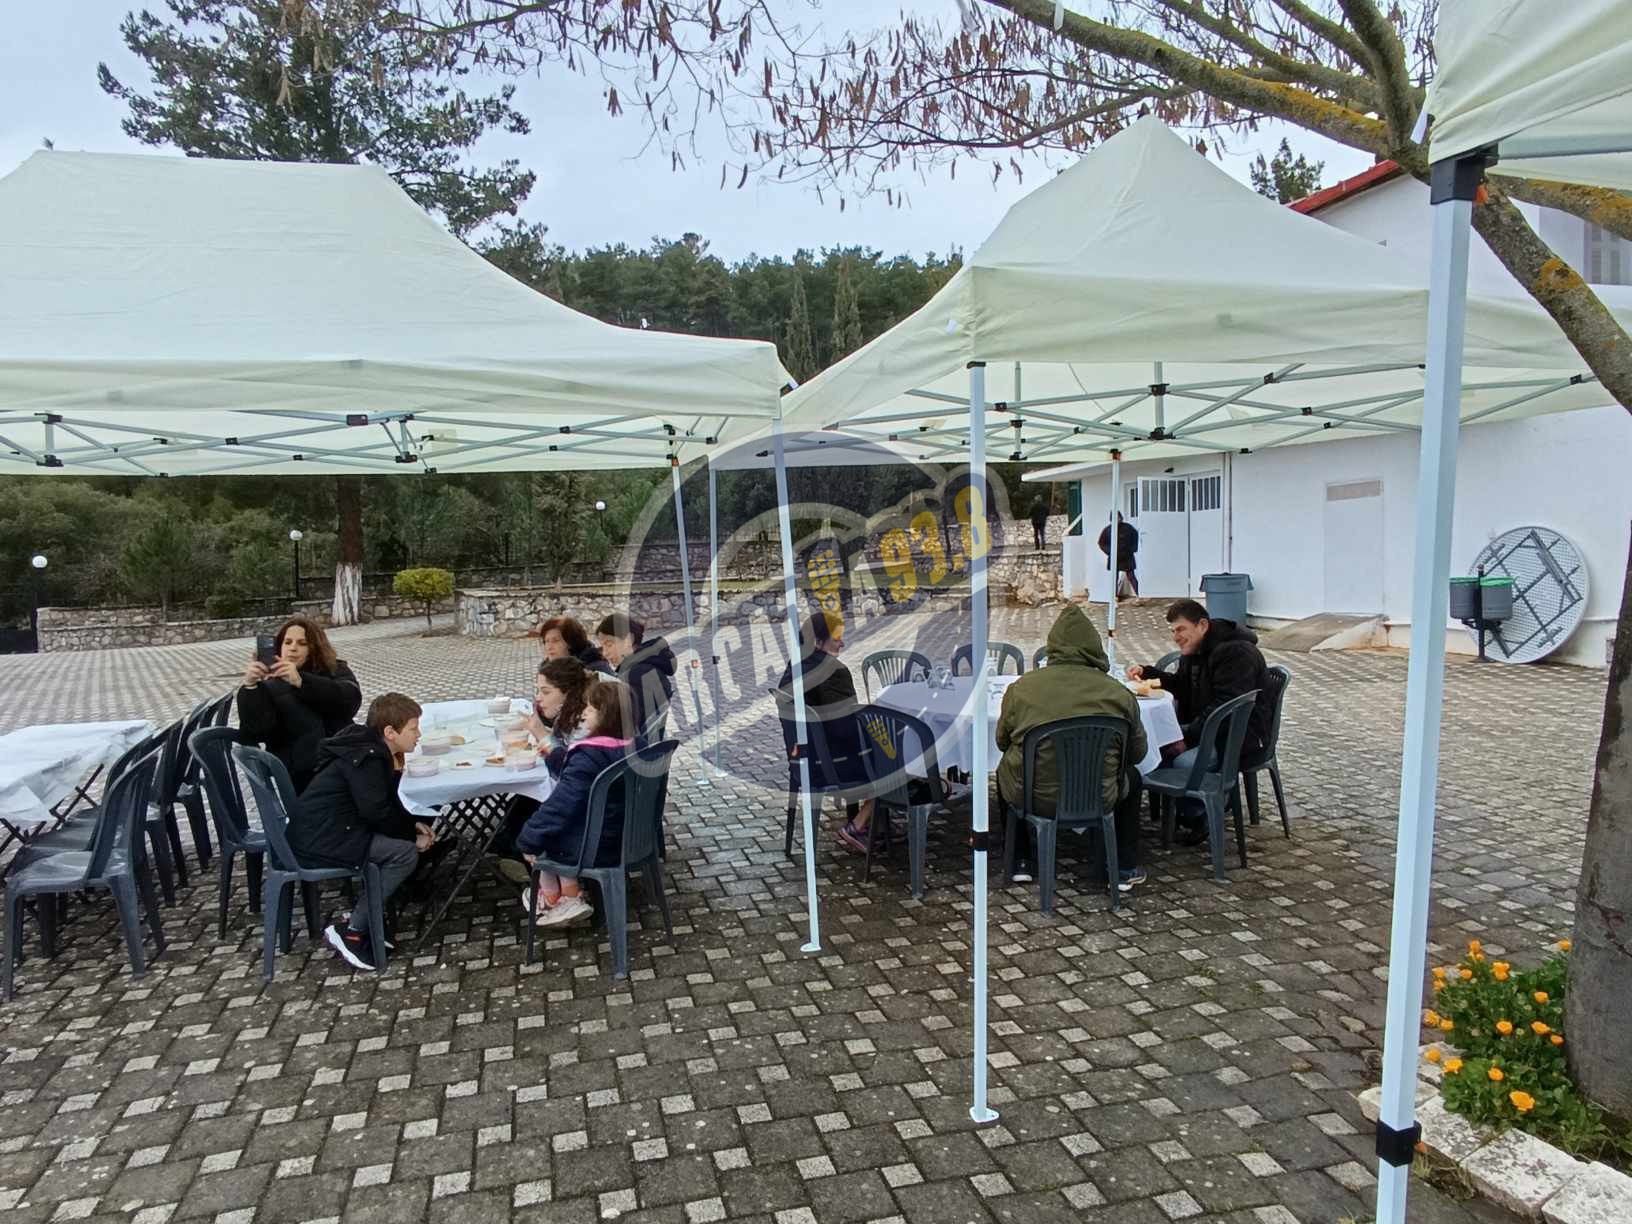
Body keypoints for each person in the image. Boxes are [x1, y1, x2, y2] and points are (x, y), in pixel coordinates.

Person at [996, 605, 1149, 889]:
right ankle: (1122, 868)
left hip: (1035, 796)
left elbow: (1002, 741)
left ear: (1052, 647)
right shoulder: (1119, 693)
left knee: (1005, 769)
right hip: (1100, 795)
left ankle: (1020, 860)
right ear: (1094, 648)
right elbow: (1138, 753)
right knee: (1133, 777)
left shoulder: (1021, 688)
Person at [287, 692, 435, 971]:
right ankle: (353, 930)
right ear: (390, 732)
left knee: (403, 844)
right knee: (404, 854)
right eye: (413, 729)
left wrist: (410, 823)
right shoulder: (369, 758)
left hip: (328, 829)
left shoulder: (368, 747)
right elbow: (375, 812)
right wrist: (411, 837)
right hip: (324, 838)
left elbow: (382, 803)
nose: (419, 735)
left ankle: (369, 921)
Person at [1128, 598, 1272, 842]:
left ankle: (1200, 814)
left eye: (1181, 629)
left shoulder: (1236, 653)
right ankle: (1181, 810)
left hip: (1238, 737)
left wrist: (1187, 737)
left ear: (1202, 625)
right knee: (1156, 751)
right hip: (1212, 729)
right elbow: (1182, 686)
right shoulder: (1197, 650)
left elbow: (1226, 709)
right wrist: (1148, 672)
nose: (1176, 637)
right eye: (1173, 631)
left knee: (1181, 761)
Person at [515, 679, 637, 928]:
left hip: (595, 844)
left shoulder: (589, 755)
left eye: (590, 709)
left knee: (541, 836)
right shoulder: (636, 746)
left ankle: (557, 899)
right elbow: (577, 773)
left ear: (605, 716)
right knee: (549, 828)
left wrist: (528, 839)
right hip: (629, 836)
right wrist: (554, 755)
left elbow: (562, 804)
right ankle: (567, 896)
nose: (583, 713)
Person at [775, 611, 874, 854]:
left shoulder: (794, 667)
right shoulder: (834, 671)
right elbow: (845, 730)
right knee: (894, 756)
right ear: (818, 642)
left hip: (802, 760)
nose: (842, 643)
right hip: (830, 766)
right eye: (837, 638)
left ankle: (876, 823)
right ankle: (859, 825)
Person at [238, 615, 362, 793]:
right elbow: (255, 733)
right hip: (303, 776)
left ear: (314, 648)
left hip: (346, 762)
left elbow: (350, 701)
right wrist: (250, 688)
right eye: (287, 642)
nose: (293, 648)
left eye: (302, 643)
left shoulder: (335, 670)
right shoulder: (268, 686)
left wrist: (301, 681)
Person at [596, 613, 675, 742]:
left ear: (627, 641)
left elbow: (626, 728)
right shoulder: (643, 667)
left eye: (609, 645)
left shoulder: (636, 675)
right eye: (602, 646)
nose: (605, 653)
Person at [540, 615, 613, 675]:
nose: (549, 647)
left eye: (555, 641)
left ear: (571, 642)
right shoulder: (548, 669)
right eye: (546, 641)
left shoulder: (597, 671)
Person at [1097, 512, 1140, 598]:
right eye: (1114, 518)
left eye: (1118, 517)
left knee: (1131, 576)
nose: (1117, 520)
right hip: (1114, 558)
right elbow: (1101, 543)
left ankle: (1139, 594)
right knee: (1114, 578)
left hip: (1127, 557)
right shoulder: (1107, 530)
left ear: (1121, 518)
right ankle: (1114, 597)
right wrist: (1110, 551)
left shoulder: (1128, 528)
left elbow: (1135, 537)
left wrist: (1132, 549)